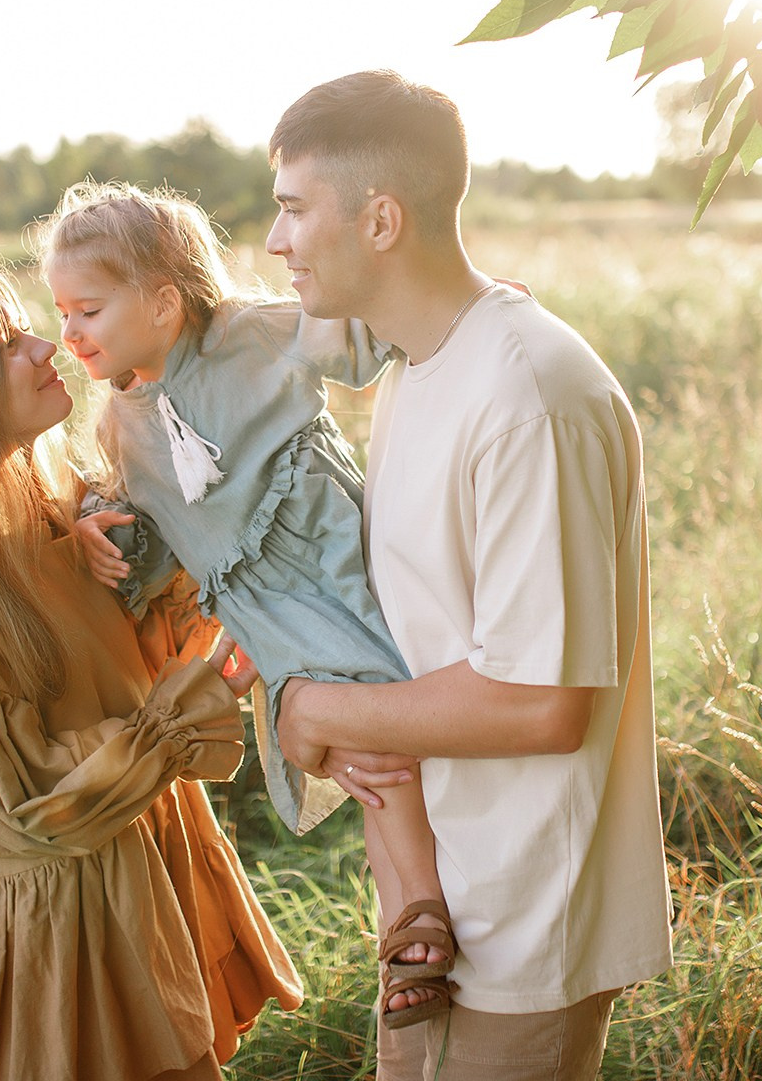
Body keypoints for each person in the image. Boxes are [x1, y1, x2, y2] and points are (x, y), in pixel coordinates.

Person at [266, 72, 673, 1080]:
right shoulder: (418, 369)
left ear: (383, 218)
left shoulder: (531, 393)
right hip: (441, 906)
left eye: (291, 209)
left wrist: (319, 710)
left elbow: (543, 703)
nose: (275, 242)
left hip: (524, 921)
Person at [0, 263, 302, 1081]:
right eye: (4, 342)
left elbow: (136, 638)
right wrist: (199, 700)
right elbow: (33, 802)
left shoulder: (56, 511)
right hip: (57, 938)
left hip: (127, 879)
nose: (43, 347)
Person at [39, 182, 458, 1029]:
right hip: (261, 614)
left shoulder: (254, 336)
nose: (69, 332)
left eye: (86, 309)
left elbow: (366, 337)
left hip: (331, 564)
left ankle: (419, 915)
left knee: (377, 733)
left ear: (162, 302)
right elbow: (155, 539)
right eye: (61, 312)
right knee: (359, 746)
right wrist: (104, 537)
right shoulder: (121, 423)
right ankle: (414, 915)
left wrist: (466, 313)